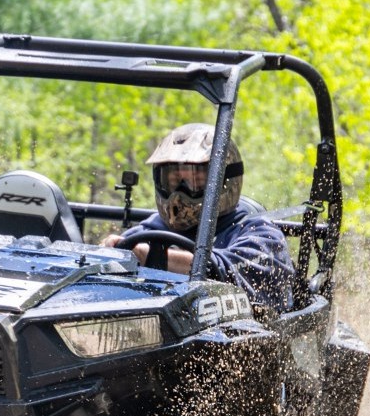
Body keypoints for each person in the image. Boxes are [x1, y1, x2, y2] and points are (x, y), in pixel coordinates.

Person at [102, 123, 295, 310]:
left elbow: (229, 273)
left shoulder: (260, 234)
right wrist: (112, 250)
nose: (180, 193)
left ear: (226, 181)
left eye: (196, 181)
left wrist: (153, 256)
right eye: (174, 181)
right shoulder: (150, 231)